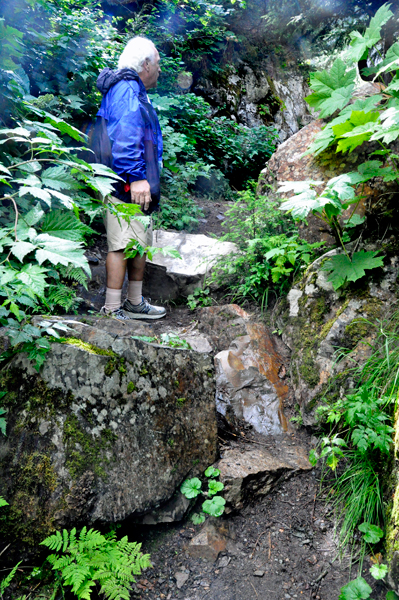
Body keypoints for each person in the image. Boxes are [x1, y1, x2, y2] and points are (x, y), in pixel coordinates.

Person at [96, 37, 166, 320]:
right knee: (121, 242)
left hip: (134, 178)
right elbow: (125, 137)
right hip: (125, 180)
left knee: (137, 239)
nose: (160, 69)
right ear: (146, 64)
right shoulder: (126, 89)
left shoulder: (130, 87)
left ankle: (134, 303)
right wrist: (137, 177)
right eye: (158, 63)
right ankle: (112, 309)